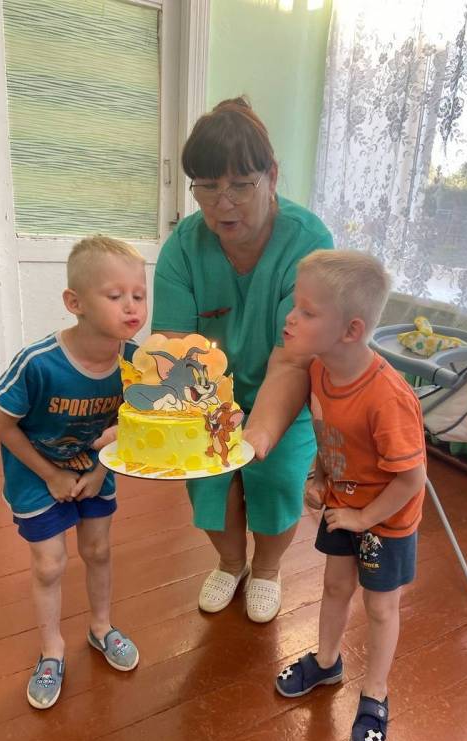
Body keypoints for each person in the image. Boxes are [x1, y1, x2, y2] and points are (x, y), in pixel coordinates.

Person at [151, 96, 334, 623]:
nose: (222, 203)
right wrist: (182, 418)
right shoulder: (184, 247)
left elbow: (293, 360)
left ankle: (268, 569)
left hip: (284, 389)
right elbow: (172, 345)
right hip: (206, 395)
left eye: (239, 185)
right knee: (207, 478)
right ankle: (231, 563)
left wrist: (259, 434)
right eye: (206, 186)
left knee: (274, 477)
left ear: (271, 176)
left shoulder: (308, 242)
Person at [272, 250, 426, 741]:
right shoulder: (319, 371)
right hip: (344, 504)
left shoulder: (387, 397)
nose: (291, 318)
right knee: (335, 586)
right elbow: (330, 433)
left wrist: (363, 518)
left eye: (307, 311)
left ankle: (375, 694)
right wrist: (320, 476)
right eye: (295, 306)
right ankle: (326, 662)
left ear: (351, 330)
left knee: (381, 607)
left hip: (386, 519)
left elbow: (411, 479)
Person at [0, 236, 146, 709]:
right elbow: (0, 425)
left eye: (139, 294)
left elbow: (135, 423)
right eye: (115, 295)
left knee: (98, 550)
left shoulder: (137, 363)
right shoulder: (39, 363)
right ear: (74, 303)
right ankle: (52, 649)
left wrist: (98, 470)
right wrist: (51, 475)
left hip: (95, 470)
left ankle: (101, 627)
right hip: (35, 475)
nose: (131, 306)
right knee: (50, 564)